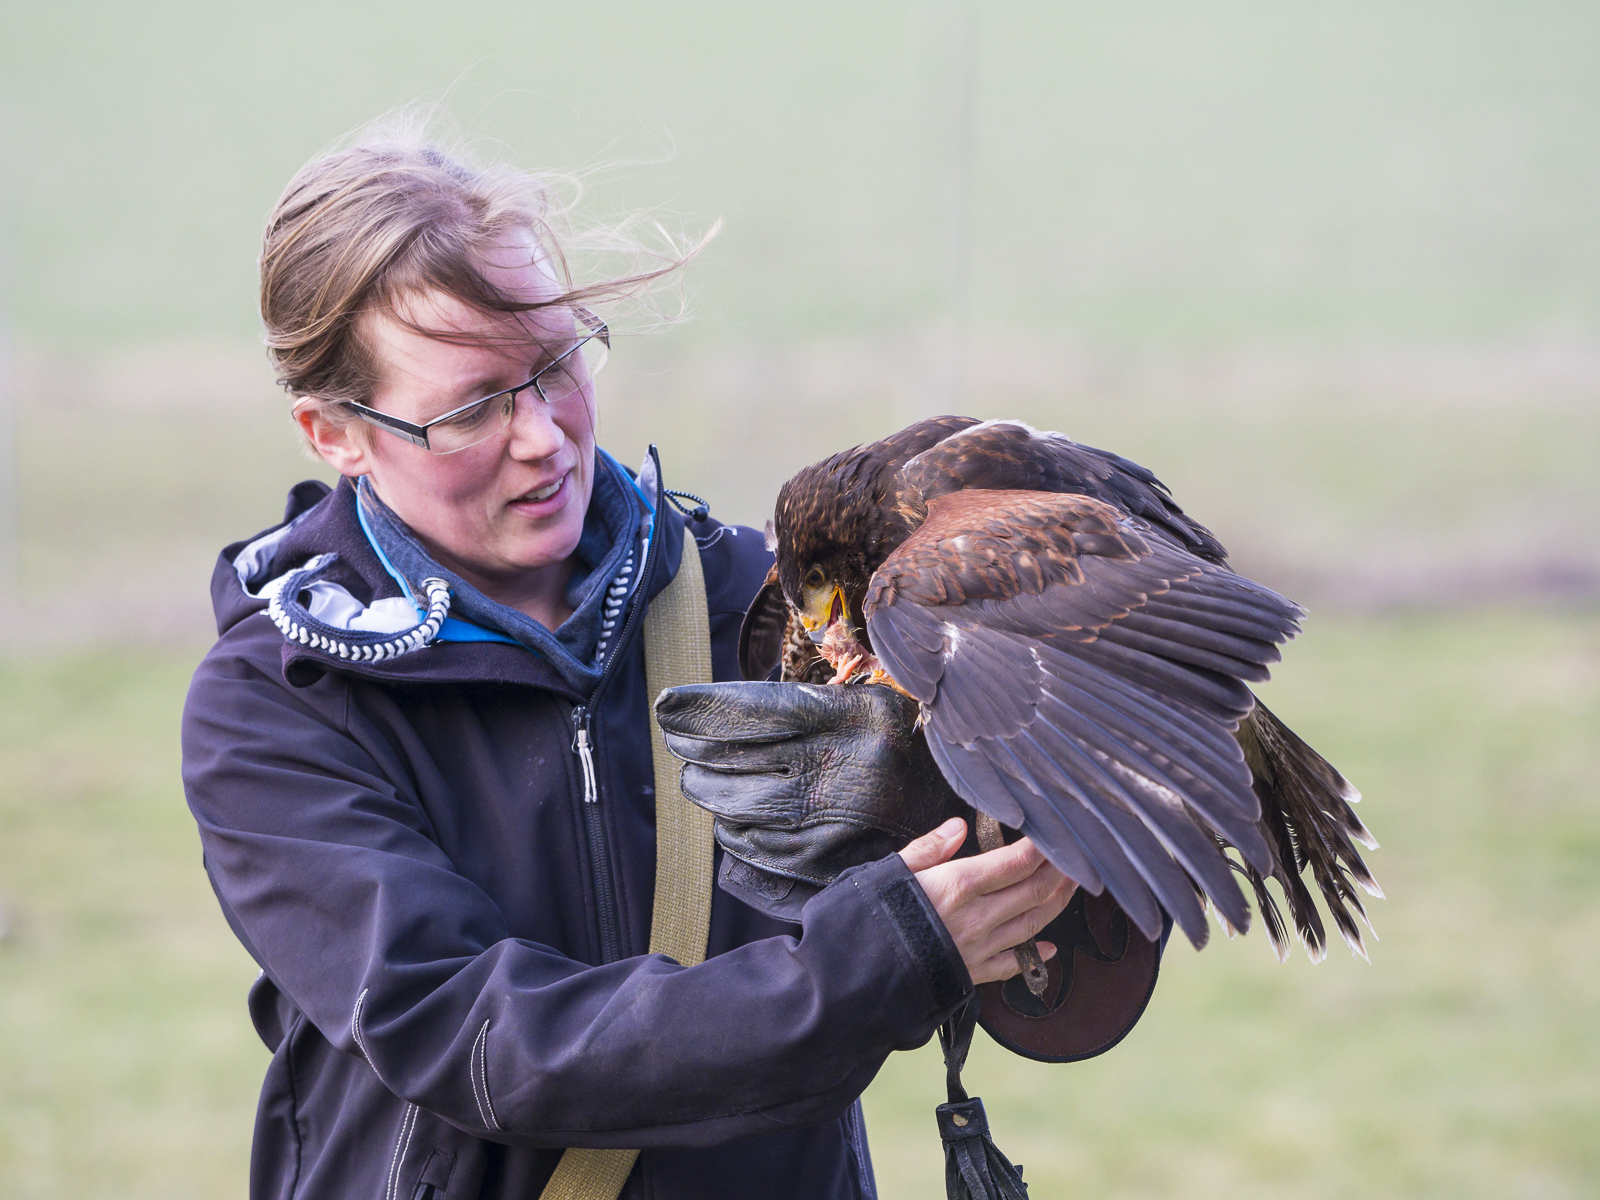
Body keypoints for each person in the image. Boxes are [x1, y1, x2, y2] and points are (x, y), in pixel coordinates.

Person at [180, 128, 1076, 1200]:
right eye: (472, 407)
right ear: (334, 432)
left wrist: (1063, 817)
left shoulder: (763, 605)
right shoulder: (278, 707)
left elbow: (983, 875)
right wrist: (875, 960)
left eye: (556, 365)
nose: (543, 437)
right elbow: (479, 1038)